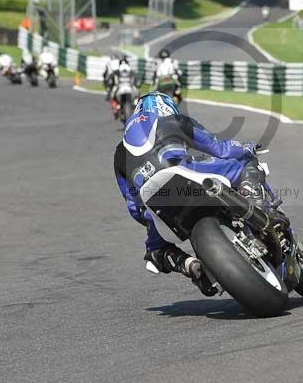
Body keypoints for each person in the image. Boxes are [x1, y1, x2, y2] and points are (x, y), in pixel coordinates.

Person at [112, 91, 284, 296]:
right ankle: (259, 204)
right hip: (184, 174)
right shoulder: (173, 120)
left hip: (155, 201)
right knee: (246, 163)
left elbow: (133, 204)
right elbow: (219, 149)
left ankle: (188, 265)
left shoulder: (119, 154)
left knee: (154, 252)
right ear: (164, 106)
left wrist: (150, 218)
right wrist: (246, 148)